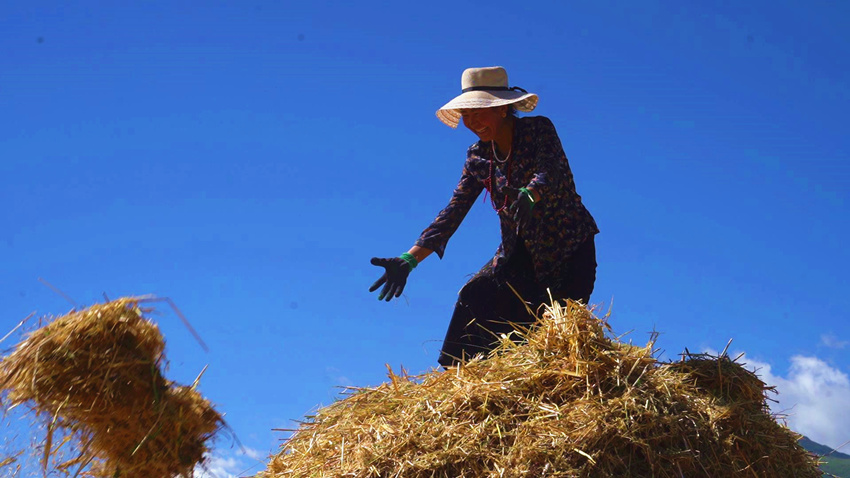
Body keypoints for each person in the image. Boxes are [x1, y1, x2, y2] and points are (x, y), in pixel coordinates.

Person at [370, 66, 599, 368]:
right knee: (476, 295)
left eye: (479, 112)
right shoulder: (478, 157)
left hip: (568, 249)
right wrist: (409, 259)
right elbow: (453, 211)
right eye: (466, 114)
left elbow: (551, 170)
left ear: (502, 109)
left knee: (557, 331)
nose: (473, 122)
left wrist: (531, 194)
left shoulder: (538, 131)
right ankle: (458, 379)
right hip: (520, 256)